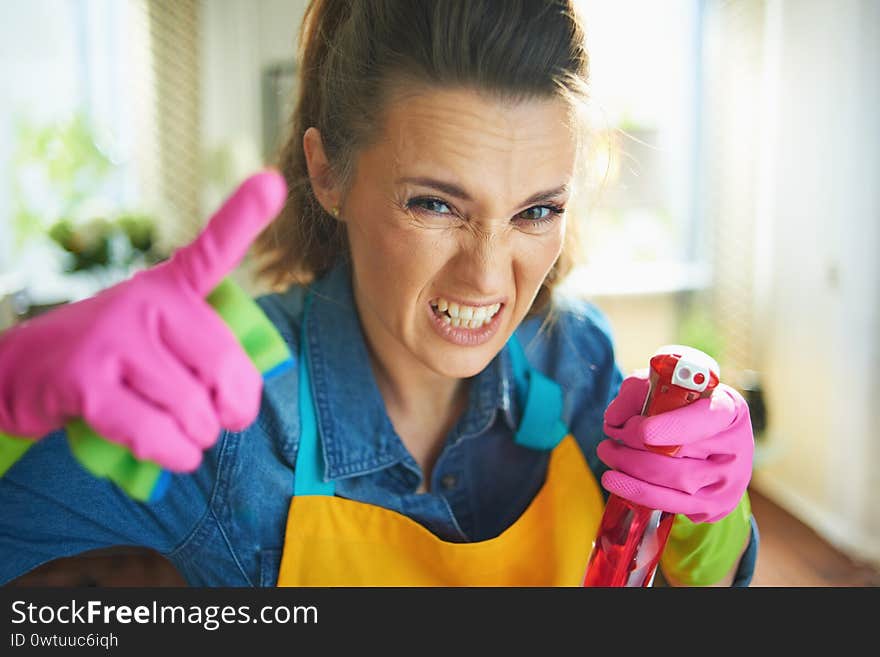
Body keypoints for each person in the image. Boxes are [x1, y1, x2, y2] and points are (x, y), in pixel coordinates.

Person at [0, 0, 756, 587]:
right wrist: (8, 410)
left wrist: (709, 518)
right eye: (434, 204)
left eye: (536, 210)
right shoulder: (229, 415)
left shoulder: (574, 357)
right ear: (329, 172)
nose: (488, 279)